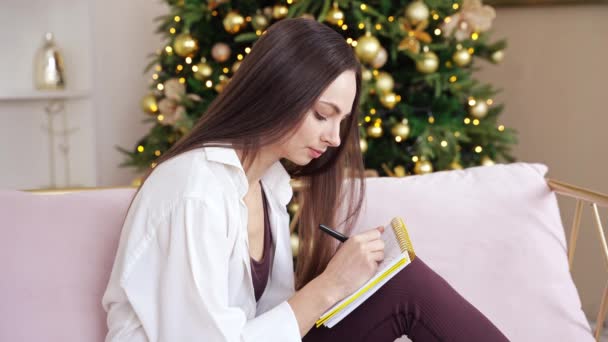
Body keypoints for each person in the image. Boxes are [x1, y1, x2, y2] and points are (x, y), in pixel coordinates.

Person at [102, 18, 509, 341]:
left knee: (402, 283)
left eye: (341, 121)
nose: (334, 138)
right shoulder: (195, 191)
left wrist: (348, 286)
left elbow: (272, 322)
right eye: (322, 114)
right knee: (408, 292)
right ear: (278, 92)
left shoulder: (267, 186)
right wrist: (329, 286)